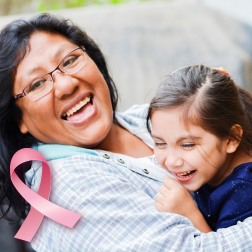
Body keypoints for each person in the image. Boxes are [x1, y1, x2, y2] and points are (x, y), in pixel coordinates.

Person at [0, 14, 252, 252]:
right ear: (18, 118)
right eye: (37, 84)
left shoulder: (149, 117)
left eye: (69, 60)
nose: (66, 84)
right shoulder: (68, 190)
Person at [147, 65, 252, 233]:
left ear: (231, 138)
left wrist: (190, 213)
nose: (172, 160)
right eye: (160, 143)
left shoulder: (244, 192)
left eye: (187, 145)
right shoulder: (214, 165)